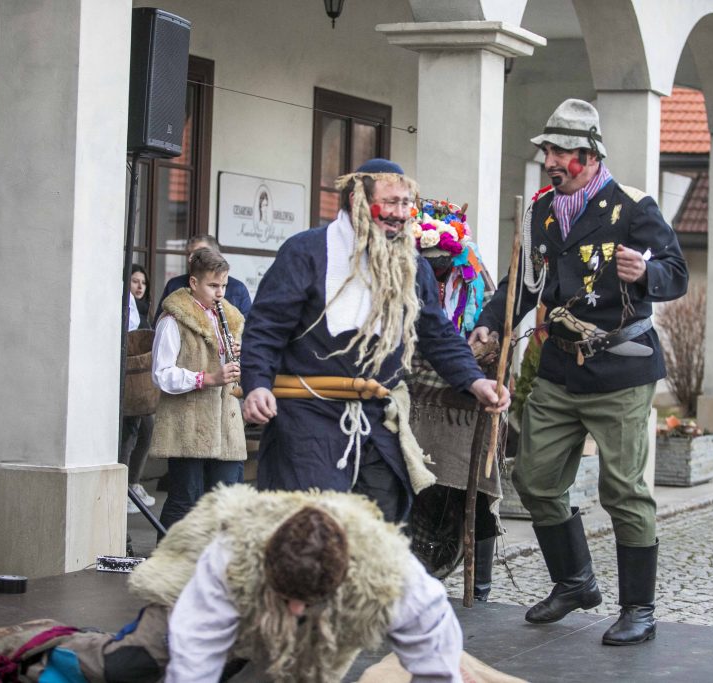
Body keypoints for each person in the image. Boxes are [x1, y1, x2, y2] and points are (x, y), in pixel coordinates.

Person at [471, 99, 688, 644]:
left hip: (621, 371)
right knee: (535, 480)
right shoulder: (541, 211)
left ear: (590, 157)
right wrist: (490, 324)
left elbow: (676, 272)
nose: (550, 160)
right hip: (560, 370)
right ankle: (575, 582)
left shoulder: (634, 206)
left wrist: (645, 273)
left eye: (561, 151)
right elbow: (520, 280)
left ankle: (639, 609)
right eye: (547, 150)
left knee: (624, 491)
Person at [0, 487, 469, 682]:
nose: (291, 607)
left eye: (301, 602)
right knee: (138, 665)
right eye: (285, 596)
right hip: (197, 579)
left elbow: (438, 668)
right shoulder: (232, 557)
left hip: (321, 620)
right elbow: (194, 664)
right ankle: (50, 645)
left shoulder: (395, 578)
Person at [240, 159, 509, 524]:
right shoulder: (306, 252)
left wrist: (475, 381)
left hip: (378, 419)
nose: (400, 214)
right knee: (311, 528)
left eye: (405, 204)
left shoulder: (412, 264)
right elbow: (266, 326)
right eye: (391, 202)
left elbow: (437, 332)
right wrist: (256, 384)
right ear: (357, 200)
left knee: (380, 529)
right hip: (308, 418)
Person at [406, 200, 502, 599]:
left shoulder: (477, 281)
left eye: (443, 261)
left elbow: (495, 336)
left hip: (467, 406)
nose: (437, 268)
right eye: (430, 262)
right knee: (419, 487)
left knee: (472, 490)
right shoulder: (406, 276)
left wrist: (485, 356)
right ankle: (415, 569)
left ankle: (479, 581)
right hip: (417, 402)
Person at [149, 248, 245, 531]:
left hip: (225, 425)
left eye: (224, 286)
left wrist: (238, 356)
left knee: (226, 501)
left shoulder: (229, 318)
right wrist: (206, 378)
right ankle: (170, 566)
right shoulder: (173, 320)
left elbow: (233, 374)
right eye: (213, 286)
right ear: (193, 283)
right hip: (188, 426)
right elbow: (161, 374)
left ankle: (215, 567)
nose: (220, 293)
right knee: (184, 501)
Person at [121, 264, 157, 513]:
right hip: (129, 383)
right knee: (130, 432)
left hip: (143, 385)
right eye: (135, 281)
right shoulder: (125, 304)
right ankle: (125, 486)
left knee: (146, 430)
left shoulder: (144, 312)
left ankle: (132, 483)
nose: (139, 286)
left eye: (142, 282)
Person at [155, 234, 253, 323]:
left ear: (217, 255)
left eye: (199, 253)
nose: (191, 258)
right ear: (193, 283)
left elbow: (249, 327)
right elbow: (159, 322)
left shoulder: (238, 288)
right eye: (189, 254)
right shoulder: (174, 284)